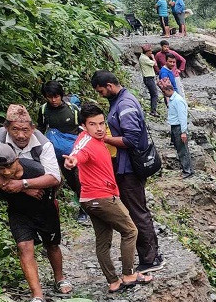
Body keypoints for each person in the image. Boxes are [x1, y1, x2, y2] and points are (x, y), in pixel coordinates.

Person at [65, 103, 152, 292]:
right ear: (83, 126)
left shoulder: (95, 139)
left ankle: (113, 282)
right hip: (102, 198)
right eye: (92, 124)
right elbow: (78, 154)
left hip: (90, 200)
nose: (99, 128)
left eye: (101, 123)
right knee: (130, 231)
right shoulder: (86, 143)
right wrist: (73, 161)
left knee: (103, 241)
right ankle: (128, 275)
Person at [0, 142, 68, 302]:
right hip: (18, 212)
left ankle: (60, 277)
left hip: (44, 209)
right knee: (24, 247)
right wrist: (24, 190)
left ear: (17, 159)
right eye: (0, 168)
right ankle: (37, 294)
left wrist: (30, 185)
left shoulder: (35, 169)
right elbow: (0, 189)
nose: (6, 172)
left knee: (52, 244)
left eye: (9, 166)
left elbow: (56, 180)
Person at [91, 70, 165, 273]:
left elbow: (131, 140)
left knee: (137, 212)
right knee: (135, 210)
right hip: (125, 167)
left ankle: (151, 259)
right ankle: (147, 254)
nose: (101, 95)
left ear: (109, 85)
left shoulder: (125, 105)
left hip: (130, 169)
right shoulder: (120, 101)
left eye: (101, 91)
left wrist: (102, 138)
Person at [38, 80, 88, 225]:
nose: (54, 100)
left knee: (80, 178)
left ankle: (84, 210)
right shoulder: (43, 111)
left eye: (56, 96)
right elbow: (41, 131)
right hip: (58, 152)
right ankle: (82, 200)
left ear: (61, 95)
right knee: (71, 180)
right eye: (50, 97)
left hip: (76, 150)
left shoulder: (73, 110)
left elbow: (83, 128)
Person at [159, 79, 193, 178]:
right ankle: (187, 169)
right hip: (174, 127)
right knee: (180, 149)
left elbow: (182, 117)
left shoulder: (178, 100)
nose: (164, 94)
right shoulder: (173, 99)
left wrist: (183, 132)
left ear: (169, 90)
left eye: (164, 92)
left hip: (179, 128)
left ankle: (187, 171)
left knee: (183, 150)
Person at [139, 45, 160, 117]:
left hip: (149, 78)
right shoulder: (144, 58)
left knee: (153, 94)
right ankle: (153, 111)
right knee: (155, 94)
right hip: (148, 78)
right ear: (147, 52)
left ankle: (153, 109)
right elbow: (155, 64)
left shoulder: (144, 57)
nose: (151, 52)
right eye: (150, 51)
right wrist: (153, 57)